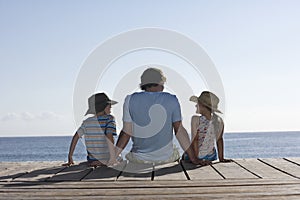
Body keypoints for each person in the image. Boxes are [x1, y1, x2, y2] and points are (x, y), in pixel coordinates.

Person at [114, 67, 210, 165]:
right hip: (166, 159)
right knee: (178, 153)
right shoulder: (172, 99)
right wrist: (194, 159)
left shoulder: (129, 99)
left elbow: (126, 133)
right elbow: (179, 131)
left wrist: (113, 158)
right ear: (160, 82)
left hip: (139, 159)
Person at [63, 92, 118, 167]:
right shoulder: (109, 119)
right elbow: (109, 137)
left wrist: (70, 156)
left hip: (91, 159)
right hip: (106, 158)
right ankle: (105, 161)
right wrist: (112, 158)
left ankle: (97, 162)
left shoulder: (87, 122)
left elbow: (76, 137)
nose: (111, 107)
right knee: (120, 159)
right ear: (104, 106)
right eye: (109, 105)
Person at [185, 91, 232, 162]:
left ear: (202, 105)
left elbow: (195, 140)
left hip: (197, 155)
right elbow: (219, 140)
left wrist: (196, 159)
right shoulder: (219, 121)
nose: (195, 105)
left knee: (186, 154)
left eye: (197, 103)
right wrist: (221, 158)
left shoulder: (195, 119)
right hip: (211, 156)